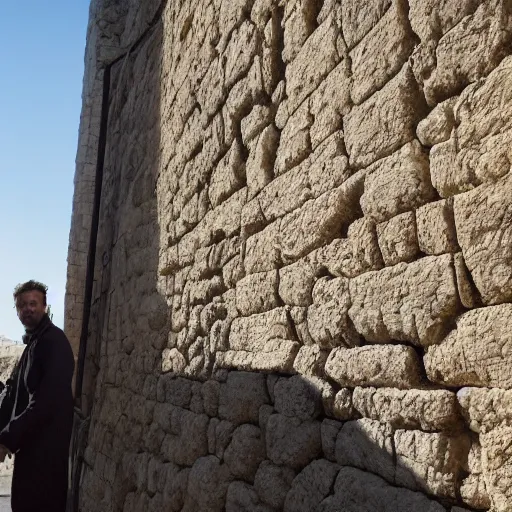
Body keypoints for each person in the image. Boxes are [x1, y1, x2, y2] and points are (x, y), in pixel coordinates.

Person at [0, 280, 74, 512]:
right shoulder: (34, 344)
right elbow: (14, 397)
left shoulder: (53, 342)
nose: (27, 309)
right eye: (22, 305)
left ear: (44, 306)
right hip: (31, 455)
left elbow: (44, 403)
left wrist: (7, 439)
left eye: (33, 303)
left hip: (46, 459)